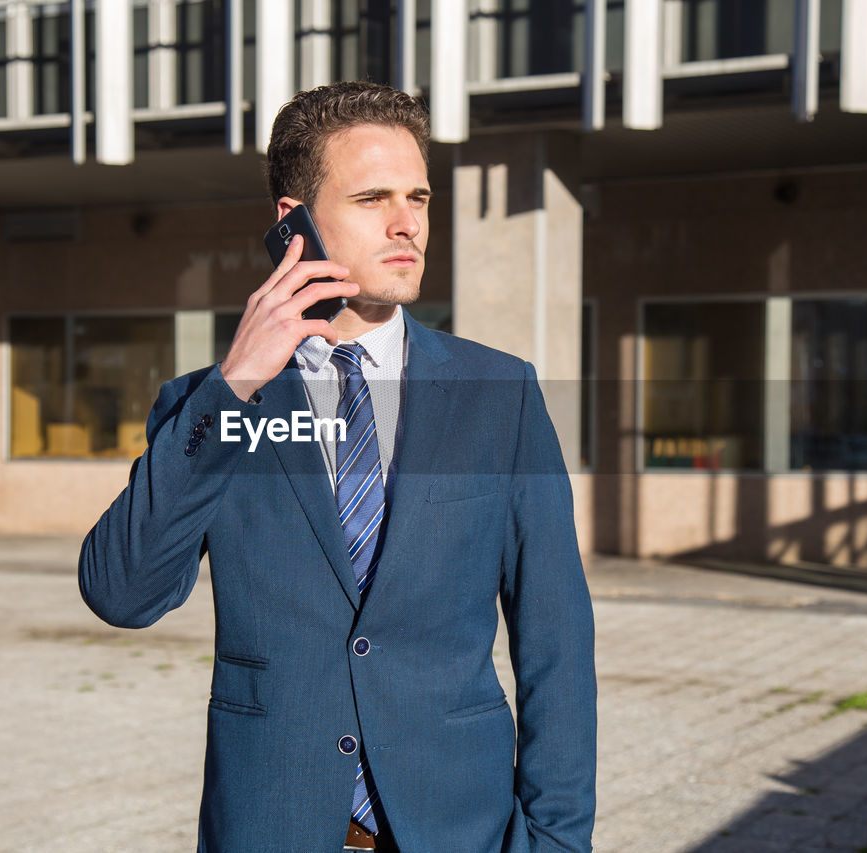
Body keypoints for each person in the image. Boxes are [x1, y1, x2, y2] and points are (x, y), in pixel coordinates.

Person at [79, 81, 596, 852]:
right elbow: (122, 593)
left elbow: (556, 638)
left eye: (418, 197)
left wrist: (554, 841)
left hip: (460, 827)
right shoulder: (208, 409)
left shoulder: (500, 395)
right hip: (271, 825)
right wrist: (233, 388)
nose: (407, 223)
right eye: (372, 198)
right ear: (295, 223)